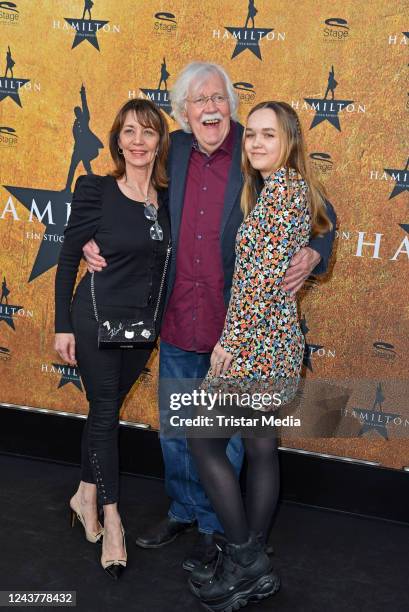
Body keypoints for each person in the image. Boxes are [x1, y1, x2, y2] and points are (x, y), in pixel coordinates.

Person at [82, 62, 336, 572]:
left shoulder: (255, 146)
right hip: (177, 319)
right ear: (183, 112)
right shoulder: (170, 149)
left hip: (236, 330)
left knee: (231, 441)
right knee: (179, 432)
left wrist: (317, 248)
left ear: (231, 106)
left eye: (219, 98)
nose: (211, 108)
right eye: (199, 101)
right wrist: (92, 236)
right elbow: (125, 186)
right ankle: (184, 511)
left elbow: (319, 206)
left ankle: (222, 530)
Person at [187, 101, 333, 611]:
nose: (255, 143)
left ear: (289, 141)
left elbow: (259, 284)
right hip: (273, 341)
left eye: (268, 135)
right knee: (260, 446)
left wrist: (230, 341)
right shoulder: (279, 190)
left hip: (258, 346)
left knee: (203, 442)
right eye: (250, 134)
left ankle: (247, 561)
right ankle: (250, 561)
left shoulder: (285, 193)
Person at [54, 98, 170, 579]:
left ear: (160, 140)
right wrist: (62, 324)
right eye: (129, 132)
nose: (138, 141)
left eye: (147, 132)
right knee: (104, 414)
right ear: (117, 140)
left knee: (104, 412)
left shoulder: (172, 194)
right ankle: (113, 518)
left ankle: (84, 493)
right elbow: (66, 258)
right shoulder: (96, 189)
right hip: (95, 318)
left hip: (143, 327)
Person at [65, 85, 103, 193]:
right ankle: (67, 188)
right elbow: (76, 137)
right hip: (78, 150)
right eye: (76, 112)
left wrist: (83, 93)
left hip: (87, 149)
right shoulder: (75, 124)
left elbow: (85, 105)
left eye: (78, 111)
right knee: (72, 169)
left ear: (81, 112)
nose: (77, 113)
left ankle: (95, 187)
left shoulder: (85, 118)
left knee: (87, 165)